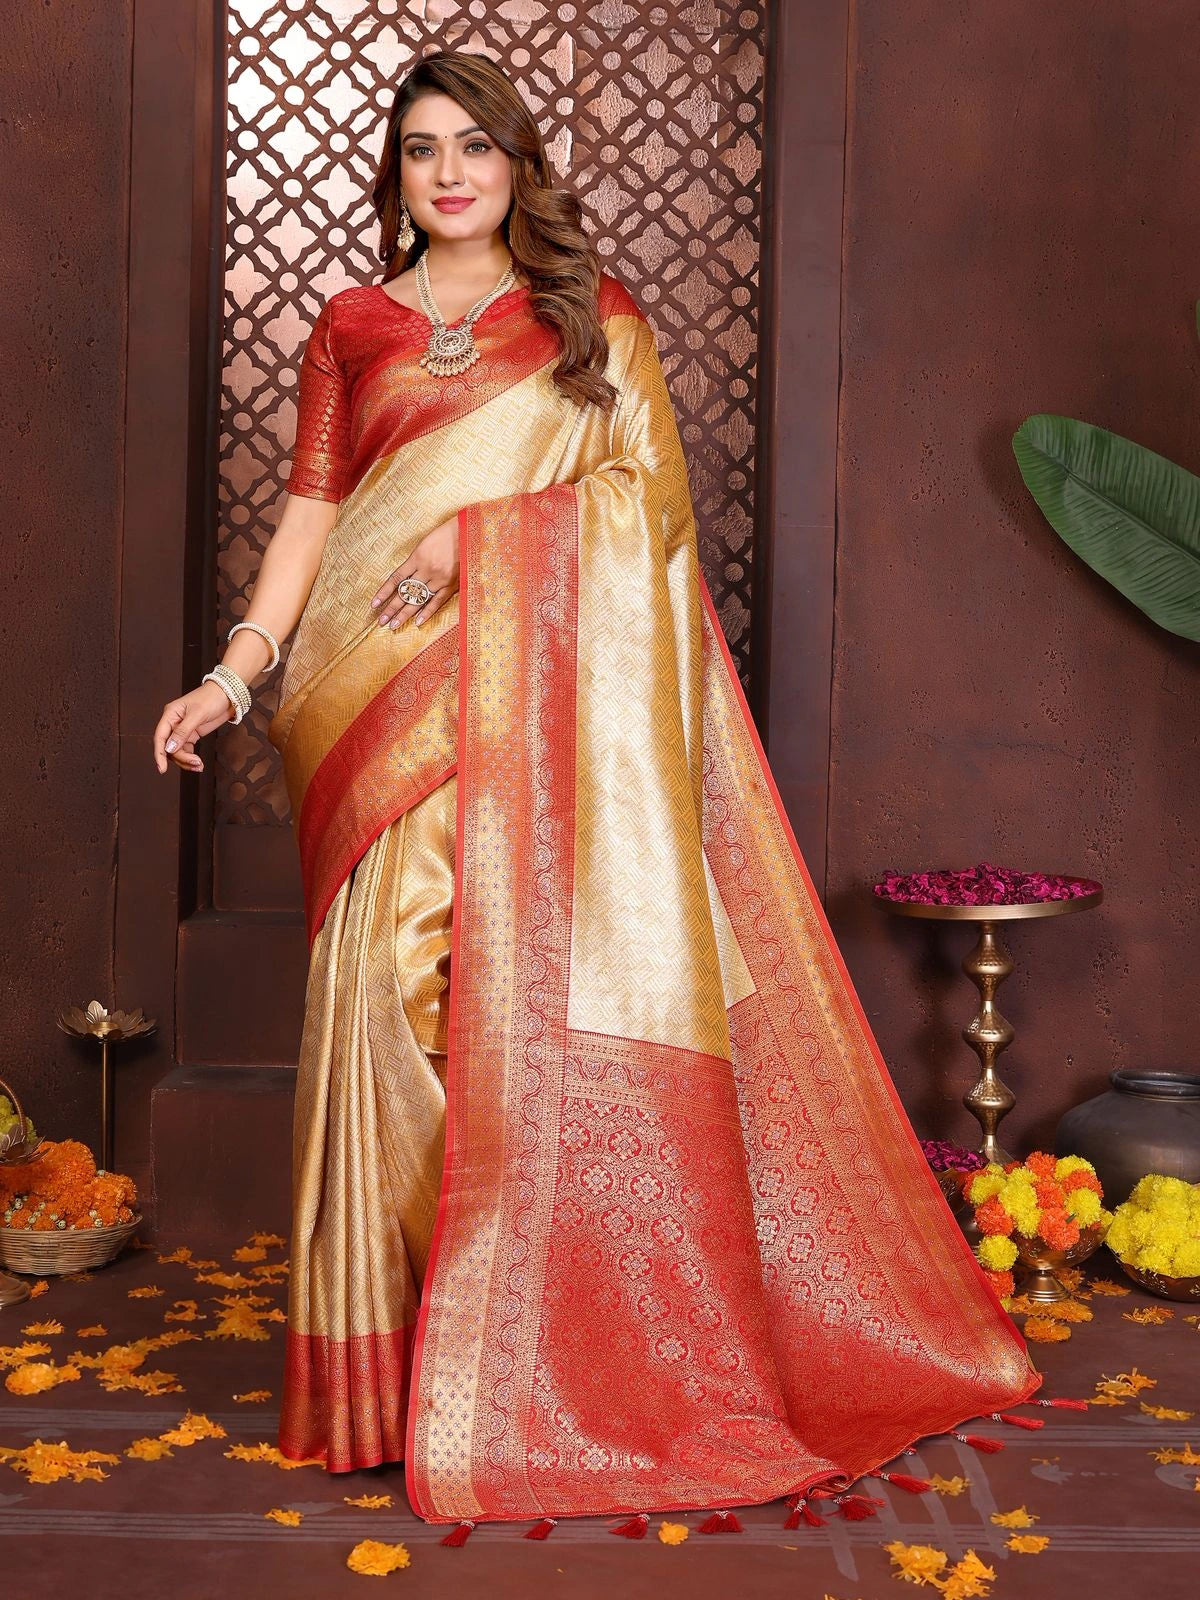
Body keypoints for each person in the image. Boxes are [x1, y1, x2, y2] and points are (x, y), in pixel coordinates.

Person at [153, 49, 1040, 1533]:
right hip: (377, 723)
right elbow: (315, 506)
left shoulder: (587, 319)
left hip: (534, 725)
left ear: (515, 166)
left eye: (476, 150)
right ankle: (408, 1374)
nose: (449, 174)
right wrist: (237, 672)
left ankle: (517, 1360)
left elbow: (650, 507)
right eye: (423, 149)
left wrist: (487, 538)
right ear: (398, 171)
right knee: (380, 1007)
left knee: (506, 1016)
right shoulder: (353, 323)